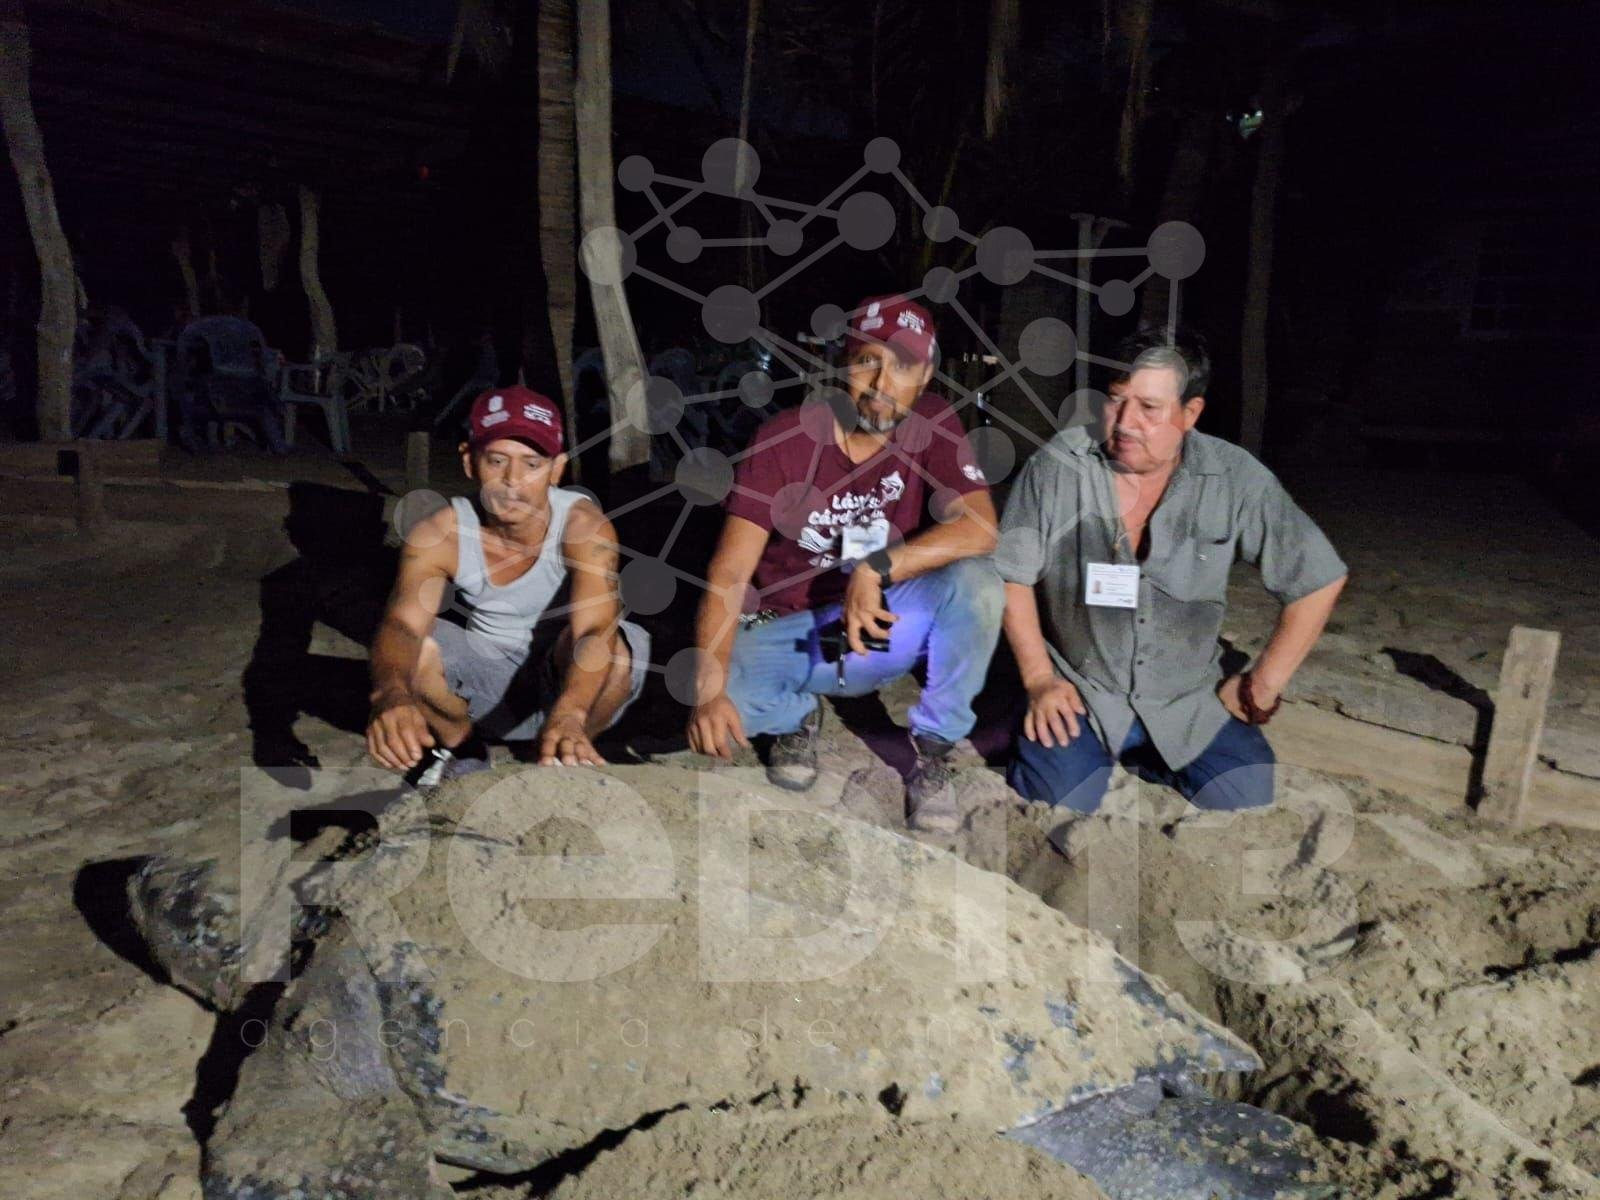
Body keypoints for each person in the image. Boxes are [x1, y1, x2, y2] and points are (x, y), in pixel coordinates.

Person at [685, 295, 1004, 832]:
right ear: (841, 365)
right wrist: (710, 692)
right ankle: (796, 716)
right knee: (710, 693)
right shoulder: (785, 439)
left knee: (978, 582)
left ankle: (933, 750)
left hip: (877, 628)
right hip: (793, 631)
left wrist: (875, 567)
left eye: (902, 366)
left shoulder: (932, 422)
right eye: (867, 361)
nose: (882, 383)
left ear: (925, 376)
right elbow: (729, 573)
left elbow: (981, 526)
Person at [996, 329, 1347, 814]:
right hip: (1083, 692)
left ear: (1190, 413)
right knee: (1060, 799)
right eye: (1116, 400)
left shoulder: (1235, 477)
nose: (1126, 422)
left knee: (1247, 793)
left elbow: (1318, 579)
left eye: (1149, 408)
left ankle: (1147, 756)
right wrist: (1039, 680)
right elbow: (1011, 574)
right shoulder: (1058, 466)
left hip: (1187, 700)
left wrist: (1261, 685)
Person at [366, 386, 649, 784]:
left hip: (573, 685)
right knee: (417, 647)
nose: (513, 480)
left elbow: (593, 630)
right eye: (497, 460)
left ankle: (565, 752)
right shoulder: (439, 533)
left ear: (557, 469)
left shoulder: (584, 527)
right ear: (469, 461)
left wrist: (571, 711)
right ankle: (464, 751)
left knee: (617, 649)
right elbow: (402, 625)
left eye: (532, 464)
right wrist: (391, 694)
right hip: (489, 684)